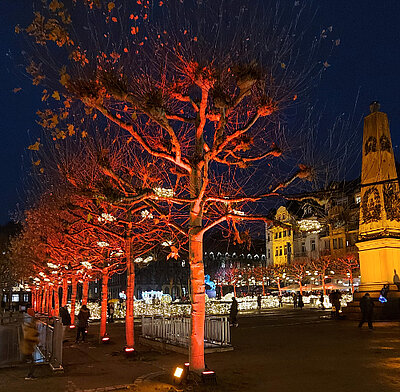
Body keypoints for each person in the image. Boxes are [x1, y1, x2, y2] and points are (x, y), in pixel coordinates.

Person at [20, 308, 39, 380]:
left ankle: (28, 375)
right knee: (31, 363)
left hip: (27, 348)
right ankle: (29, 376)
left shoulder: (28, 327)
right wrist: (36, 340)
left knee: (26, 361)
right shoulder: (30, 328)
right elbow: (28, 337)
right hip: (27, 349)